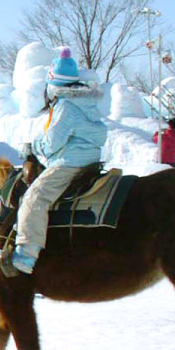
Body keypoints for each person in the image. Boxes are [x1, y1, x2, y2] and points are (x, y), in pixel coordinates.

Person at [11, 48, 107, 275]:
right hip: (89, 160)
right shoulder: (87, 102)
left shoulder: (65, 106)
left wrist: (32, 147)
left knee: (34, 197)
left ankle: (26, 255)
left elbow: (53, 142)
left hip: (69, 163)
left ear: (53, 86)